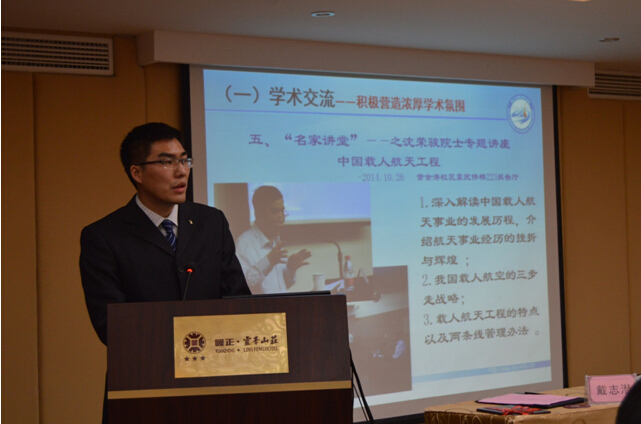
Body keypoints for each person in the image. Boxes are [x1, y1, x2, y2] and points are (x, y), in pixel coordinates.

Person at [79, 122, 251, 423]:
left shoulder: (211, 222)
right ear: (137, 173)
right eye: (167, 162)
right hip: (143, 387)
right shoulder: (104, 236)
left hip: (215, 385)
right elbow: (110, 325)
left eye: (184, 160)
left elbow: (238, 300)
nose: (181, 171)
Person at [236, 185, 311, 294]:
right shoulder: (244, 245)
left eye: (282, 211)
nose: (281, 217)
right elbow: (242, 287)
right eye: (275, 211)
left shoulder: (276, 241)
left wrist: (290, 268)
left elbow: (280, 286)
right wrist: (268, 262)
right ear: (259, 214)